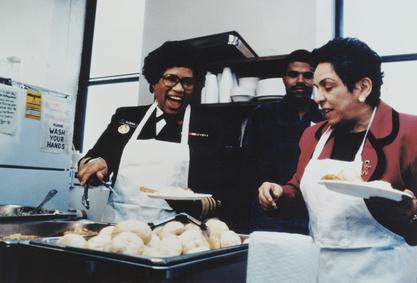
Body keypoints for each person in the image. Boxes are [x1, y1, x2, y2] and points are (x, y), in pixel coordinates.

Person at [258, 38, 417, 282]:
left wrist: (412, 213)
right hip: (324, 271)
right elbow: (299, 189)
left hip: (387, 272)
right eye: (317, 88)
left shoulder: (410, 132)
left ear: (363, 88)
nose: (318, 97)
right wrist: (280, 193)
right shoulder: (313, 136)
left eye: (328, 87)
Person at [78, 40, 222, 223]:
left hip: (177, 232)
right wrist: (96, 166)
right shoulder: (127, 117)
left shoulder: (208, 127)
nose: (178, 88)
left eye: (187, 82)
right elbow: (94, 157)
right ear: (154, 81)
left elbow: (218, 190)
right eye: (171, 78)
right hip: (120, 228)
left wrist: (190, 204)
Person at [242, 49, 323, 234]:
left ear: (315, 80)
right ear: (284, 79)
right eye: (293, 75)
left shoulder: (324, 118)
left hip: (311, 213)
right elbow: (247, 165)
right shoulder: (263, 114)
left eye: (307, 75)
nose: (300, 81)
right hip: (269, 210)